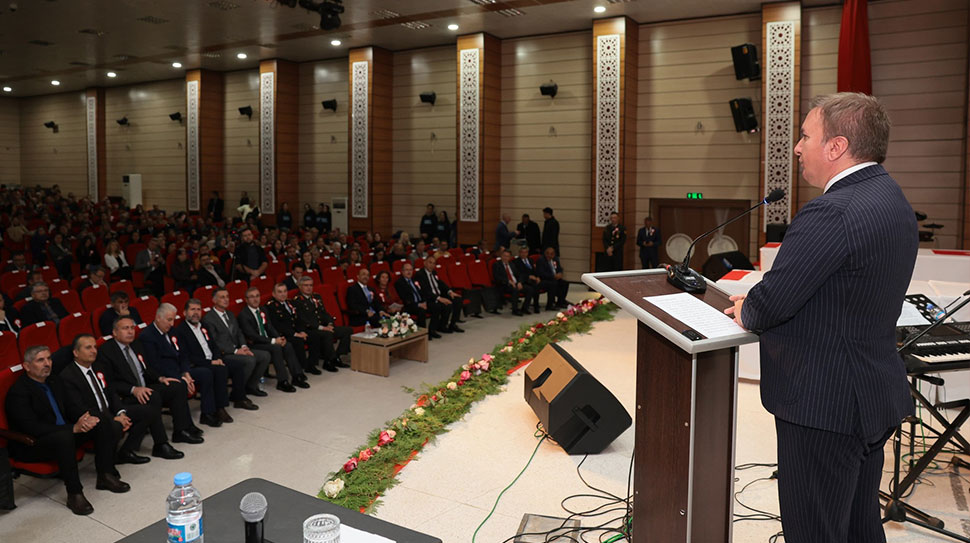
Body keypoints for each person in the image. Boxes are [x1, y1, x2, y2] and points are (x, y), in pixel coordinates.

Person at [724, 93, 918, 542]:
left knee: (815, 531)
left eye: (806, 135)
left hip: (824, 404)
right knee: (857, 525)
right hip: (870, 393)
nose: (796, 146)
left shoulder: (833, 210)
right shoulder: (890, 197)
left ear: (836, 147)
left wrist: (746, 307)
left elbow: (773, 303)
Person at [5, 345, 128, 515]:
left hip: (65, 431)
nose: (47, 363)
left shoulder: (54, 381)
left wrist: (84, 418)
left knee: (99, 419)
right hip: (33, 444)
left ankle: (105, 475)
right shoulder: (19, 392)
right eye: (41, 360)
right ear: (26, 366)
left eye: (49, 359)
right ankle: (75, 493)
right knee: (64, 437)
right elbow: (31, 427)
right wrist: (73, 428)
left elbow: (71, 407)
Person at [60, 334, 183, 465]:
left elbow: (110, 392)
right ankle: (107, 468)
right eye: (88, 348)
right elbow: (79, 409)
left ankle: (126, 451)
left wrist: (120, 412)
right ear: (76, 352)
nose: (94, 351)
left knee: (150, 411)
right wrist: (112, 418)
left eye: (95, 347)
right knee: (115, 425)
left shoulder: (97, 367)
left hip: (110, 411)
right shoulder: (68, 376)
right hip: (94, 418)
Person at [97, 314, 202, 449]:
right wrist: (133, 389)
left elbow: (147, 369)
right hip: (126, 395)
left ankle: (180, 431)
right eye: (125, 328)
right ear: (115, 333)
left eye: (132, 328)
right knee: (153, 396)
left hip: (146, 386)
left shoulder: (136, 344)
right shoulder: (106, 351)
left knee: (176, 385)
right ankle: (161, 443)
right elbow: (109, 383)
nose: (130, 331)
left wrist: (161, 378)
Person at [174, 298, 239, 425]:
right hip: (196, 365)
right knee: (218, 370)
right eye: (192, 309)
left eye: (198, 309)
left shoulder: (204, 325)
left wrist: (218, 357)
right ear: (184, 313)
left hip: (213, 360)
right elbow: (187, 356)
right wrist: (211, 363)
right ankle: (214, 410)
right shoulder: (181, 331)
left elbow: (213, 345)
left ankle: (238, 398)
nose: (196, 313)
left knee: (236, 365)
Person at [202, 288, 270, 406]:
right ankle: (237, 393)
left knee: (265, 356)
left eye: (227, 296)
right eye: (222, 297)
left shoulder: (230, 314)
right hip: (224, 354)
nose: (226, 299)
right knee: (250, 360)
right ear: (214, 300)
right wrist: (235, 351)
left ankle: (251, 386)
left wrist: (244, 346)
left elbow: (239, 332)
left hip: (238, 349)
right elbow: (214, 342)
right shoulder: (209, 318)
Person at [237, 287, 307, 392]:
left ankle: (297, 376)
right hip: (255, 344)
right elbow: (252, 336)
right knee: (276, 348)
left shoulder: (263, 309)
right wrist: (273, 341)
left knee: (287, 345)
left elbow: (269, 327)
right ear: (246, 300)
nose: (255, 299)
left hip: (268, 340)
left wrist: (278, 337)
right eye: (252, 297)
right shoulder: (243, 315)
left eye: (257, 296)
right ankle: (282, 381)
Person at [292, 276, 352, 371]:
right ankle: (328, 361)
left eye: (311, 285)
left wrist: (330, 323)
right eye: (306, 285)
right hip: (310, 329)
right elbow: (303, 320)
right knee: (327, 334)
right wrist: (322, 328)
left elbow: (324, 313)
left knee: (347, 330)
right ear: (300, 286)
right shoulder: (297, 301)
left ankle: (337, 356)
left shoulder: (316, 297)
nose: (309, 288)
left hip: (323, 327)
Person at [264, 282, 321, 376]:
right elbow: (277, 325)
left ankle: (311, 364)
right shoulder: (271, 306)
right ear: (274, 294)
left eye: (285, 291)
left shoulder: (291, 303)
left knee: (314, 335)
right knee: (298, 341)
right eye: (280, 292)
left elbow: (299, 319)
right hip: (284, 334)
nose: (283, 294)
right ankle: (303, 366)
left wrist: (302, 331)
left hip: (296, 331)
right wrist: (296, 334)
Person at [416, 255, 463, 337]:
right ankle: (433, 329)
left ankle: (451, 324)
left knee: (457, 300)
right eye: (430, 262)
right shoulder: (420, 274)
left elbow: (441, 283)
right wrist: (439, 298)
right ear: (425, 263)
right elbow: (425, 291)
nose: (432, 265)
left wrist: (449, 291)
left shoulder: (434, 272)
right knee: (443, 305)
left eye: (434, 263)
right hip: (429, 298)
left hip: (439, 295)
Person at [492, 249, 534, 316]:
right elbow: (497, 277)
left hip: (515, 283)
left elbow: (519, 274)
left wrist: (519, 282)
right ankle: (515, 310)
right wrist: (508, 281)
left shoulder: (512, 264)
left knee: (530, 289)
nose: (506, 258)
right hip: (504, 285)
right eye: (504, 256)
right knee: (515, 290)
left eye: (507, 256)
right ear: (501, 256)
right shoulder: (497, 265)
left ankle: (525, 308)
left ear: (510, 257)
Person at [395, 262, 428, 329]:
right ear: (402, 271)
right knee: (421, 311)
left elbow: (422, 291)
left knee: (438, 306)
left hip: (421, 303)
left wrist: (424, 302)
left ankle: (433, 330)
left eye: (410, 270)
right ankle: (422, 332)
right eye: (407, 270)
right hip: (410, 305)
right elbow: (405, 298)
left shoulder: (415, 280)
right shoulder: (399, 283)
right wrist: (419, 305)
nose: (409, 272)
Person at [511, 246, 541, 313]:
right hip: (524, 280)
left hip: (532, 279)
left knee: (537, 285)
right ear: (519, 253)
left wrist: (537, 276)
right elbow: (518, 273)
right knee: (532, 288)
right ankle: (525, 308)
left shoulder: (530, 260)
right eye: (522, 252)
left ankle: (536, 305)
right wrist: (528, 276)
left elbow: (535, 270)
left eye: (525, 252)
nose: (524, 254)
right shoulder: (516, 262)